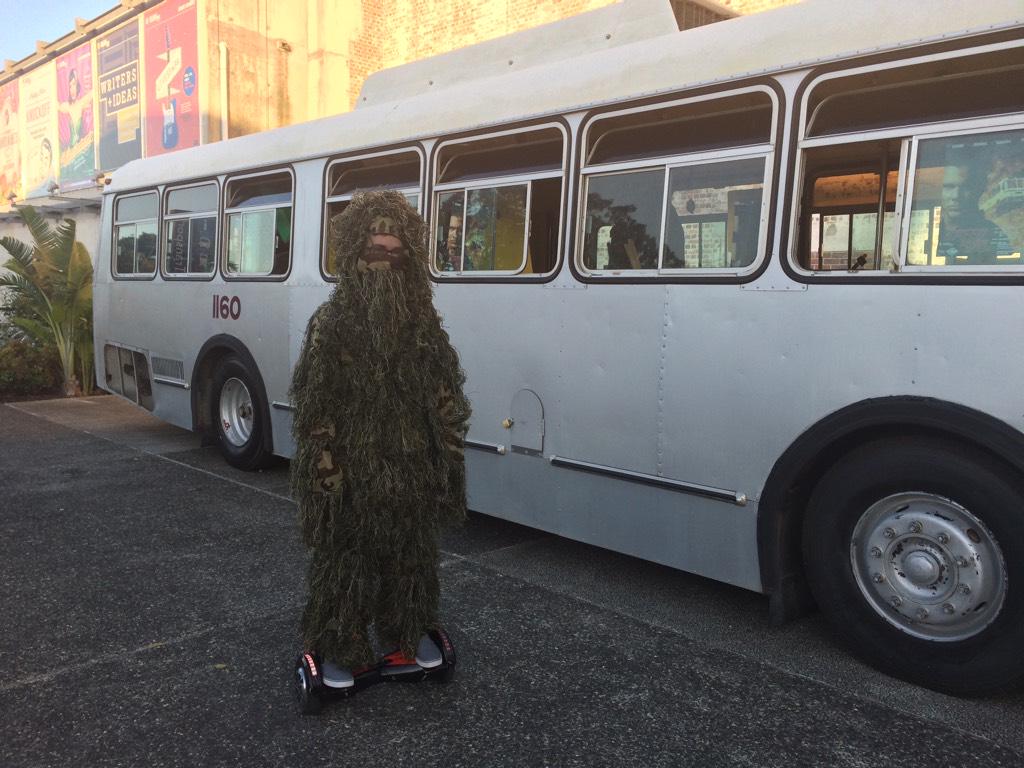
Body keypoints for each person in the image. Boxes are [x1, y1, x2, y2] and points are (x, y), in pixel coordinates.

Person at [289, 190, 471, 686]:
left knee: (411, 562)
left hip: (411, 472)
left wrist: (449, 462)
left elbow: (443, 399)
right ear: (354, 255)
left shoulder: (423, 326)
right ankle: (339, 643)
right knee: (346, 566)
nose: (385, 263)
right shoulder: (333, 326)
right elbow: (316, 409)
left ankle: (404, 633)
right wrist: (326, 478)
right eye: (374, 253)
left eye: (395, 253)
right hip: (353, 474)